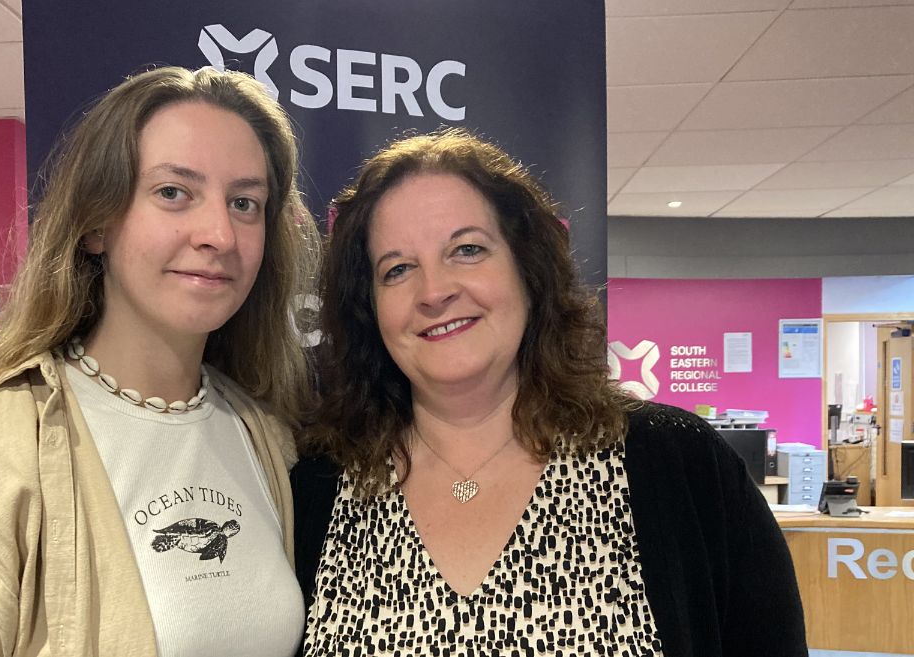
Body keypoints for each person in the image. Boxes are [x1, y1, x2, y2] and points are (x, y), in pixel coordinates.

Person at [292, 129, 806, 656]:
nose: (435, 291)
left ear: (528, 271)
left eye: (467, 250)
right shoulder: (317, 485)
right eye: (397, 269)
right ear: (368, 307)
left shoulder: (681, 466)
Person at [0, 66, 320, 656]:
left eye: (244, 203)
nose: (220, 234)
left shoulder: (266, 439)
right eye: (173, 193)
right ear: (96, 225)